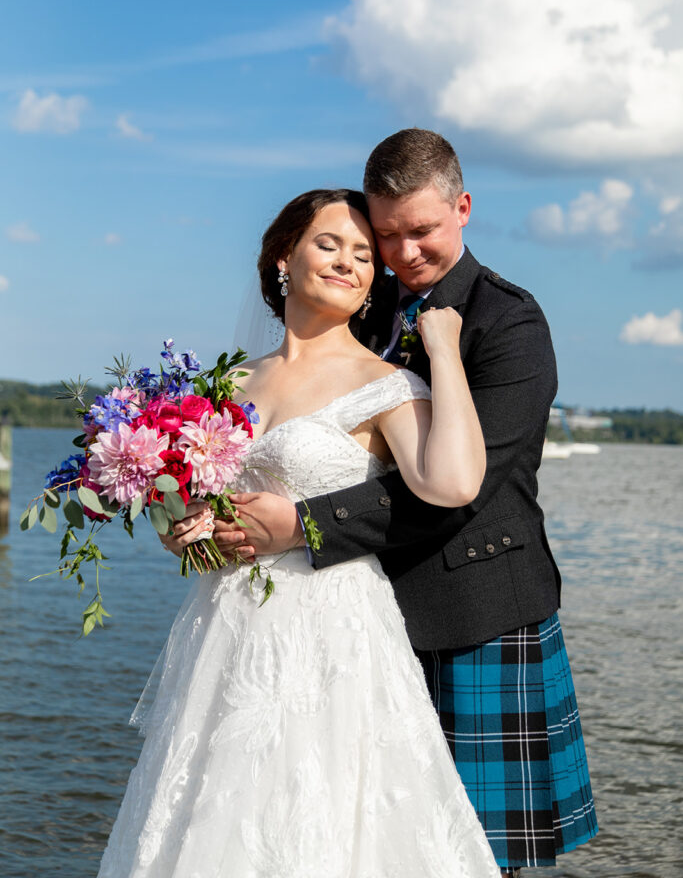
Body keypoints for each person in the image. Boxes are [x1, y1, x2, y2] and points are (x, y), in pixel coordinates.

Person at [210, 131, 598, 876]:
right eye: (385, 234)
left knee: (474, 855)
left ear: (462, 207)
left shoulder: (507, 324)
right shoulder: (358, 298)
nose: (403, 251)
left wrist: (302, 525)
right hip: (344, 617)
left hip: (472, 613)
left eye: (421, 230)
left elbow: (464, 491)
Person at [97, 187, 500, 877]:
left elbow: (454, 484)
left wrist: (444, 352)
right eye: (329, 244)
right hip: (224, 629)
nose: (349, 263)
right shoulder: (227, 387)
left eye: (365, 256)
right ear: (285, 256)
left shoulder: (387, 383)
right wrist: (186, 531)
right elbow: (207, 519)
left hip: (331, 630)